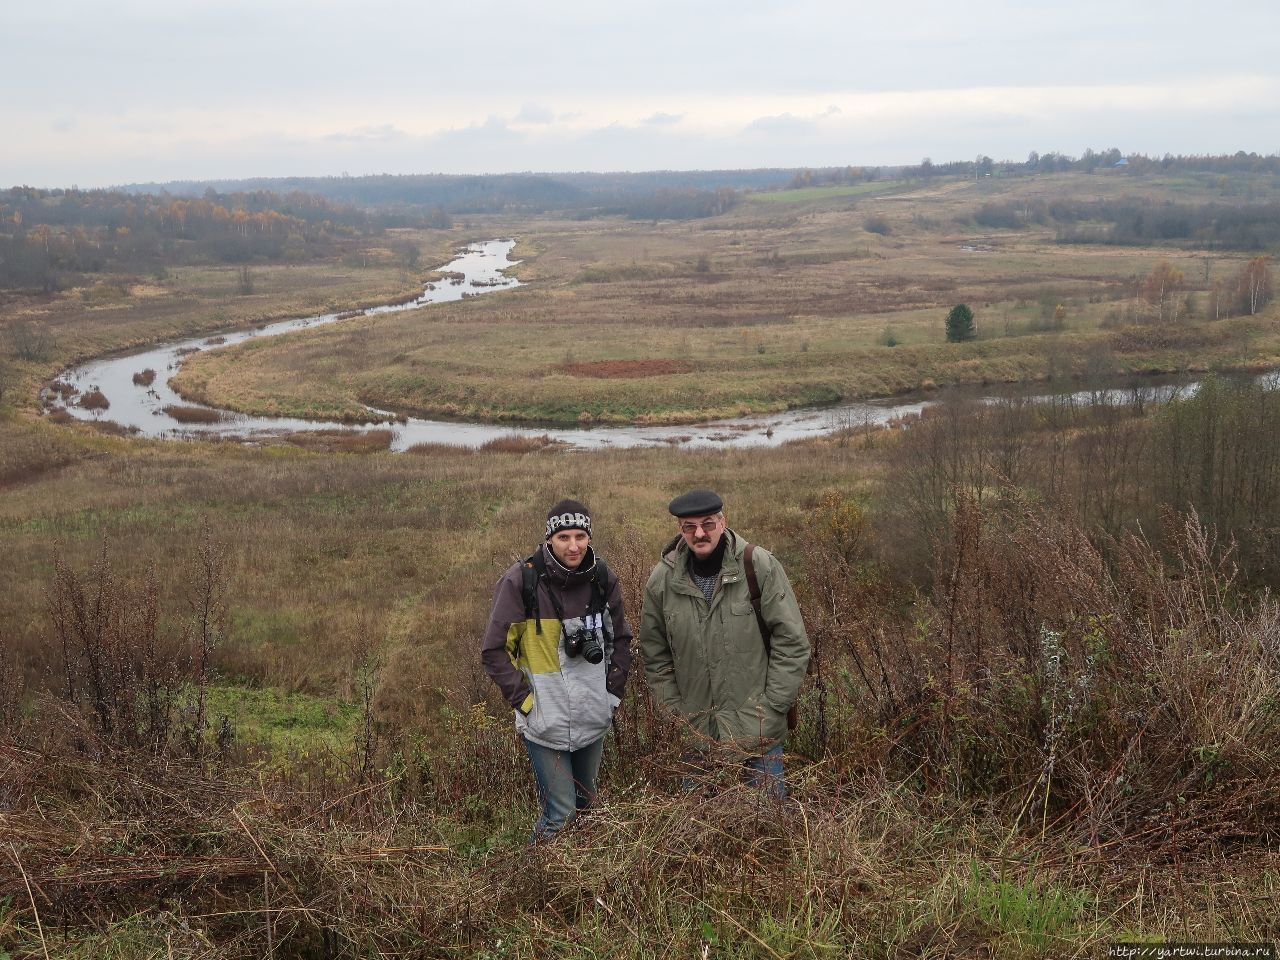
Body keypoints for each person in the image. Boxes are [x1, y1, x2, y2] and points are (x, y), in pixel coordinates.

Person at [639, 489, 809, 798]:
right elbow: (655, 654)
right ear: (680, 530)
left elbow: (792, 642)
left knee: (769, 827)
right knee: (699, 834)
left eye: (707, 524)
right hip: (697, 735)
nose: (699, 533)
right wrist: (676, 714)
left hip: (757, 732)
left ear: (723, 522)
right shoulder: (662, 580)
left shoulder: (758, 566)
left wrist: (772, 708)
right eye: (689, 527)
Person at [481, 499, 632, 841]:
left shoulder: (602, 578)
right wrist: (527, 704)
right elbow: (493, 651)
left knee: (586, 805)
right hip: (545, 722)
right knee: (560, 815)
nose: (574, 545)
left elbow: (621, 640)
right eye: (564, 537)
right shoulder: (521, 581)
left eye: (581, 536)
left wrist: (610, 696)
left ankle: (579, 884)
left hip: (593, 716)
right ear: (549, 538)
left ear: (590, 537)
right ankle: (538, 886)